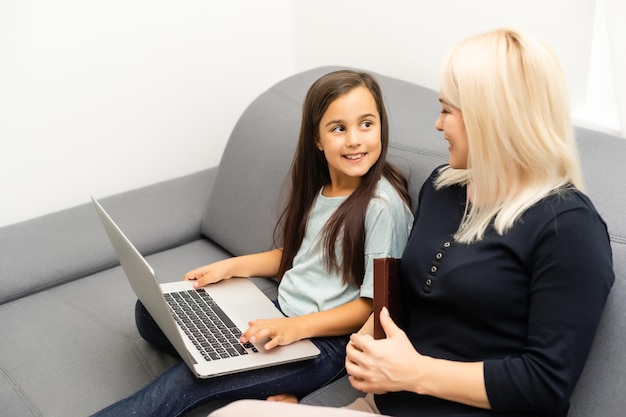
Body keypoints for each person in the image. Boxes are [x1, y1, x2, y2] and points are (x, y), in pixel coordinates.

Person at [207, 28, 615, 417]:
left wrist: (414, 372)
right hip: (382, 403)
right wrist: (364, 338)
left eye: (447, 110)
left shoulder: (569, 229)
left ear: (491, 118)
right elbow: (403, 288)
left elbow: (546, 383)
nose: (438, 125)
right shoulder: (443, 187)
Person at [91, 70, 414, 417]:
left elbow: (373, 307)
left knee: (184, 382)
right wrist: (230, 267)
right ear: (317, 139)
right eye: (339, 128)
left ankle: (250, 375)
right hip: (281, 315)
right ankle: (246, 372)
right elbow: (297, 256)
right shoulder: (321, 188)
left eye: (366, 124)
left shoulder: (382, 207)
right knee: (150, 313)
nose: (355, 140)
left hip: (325, 346)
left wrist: (294, 328)